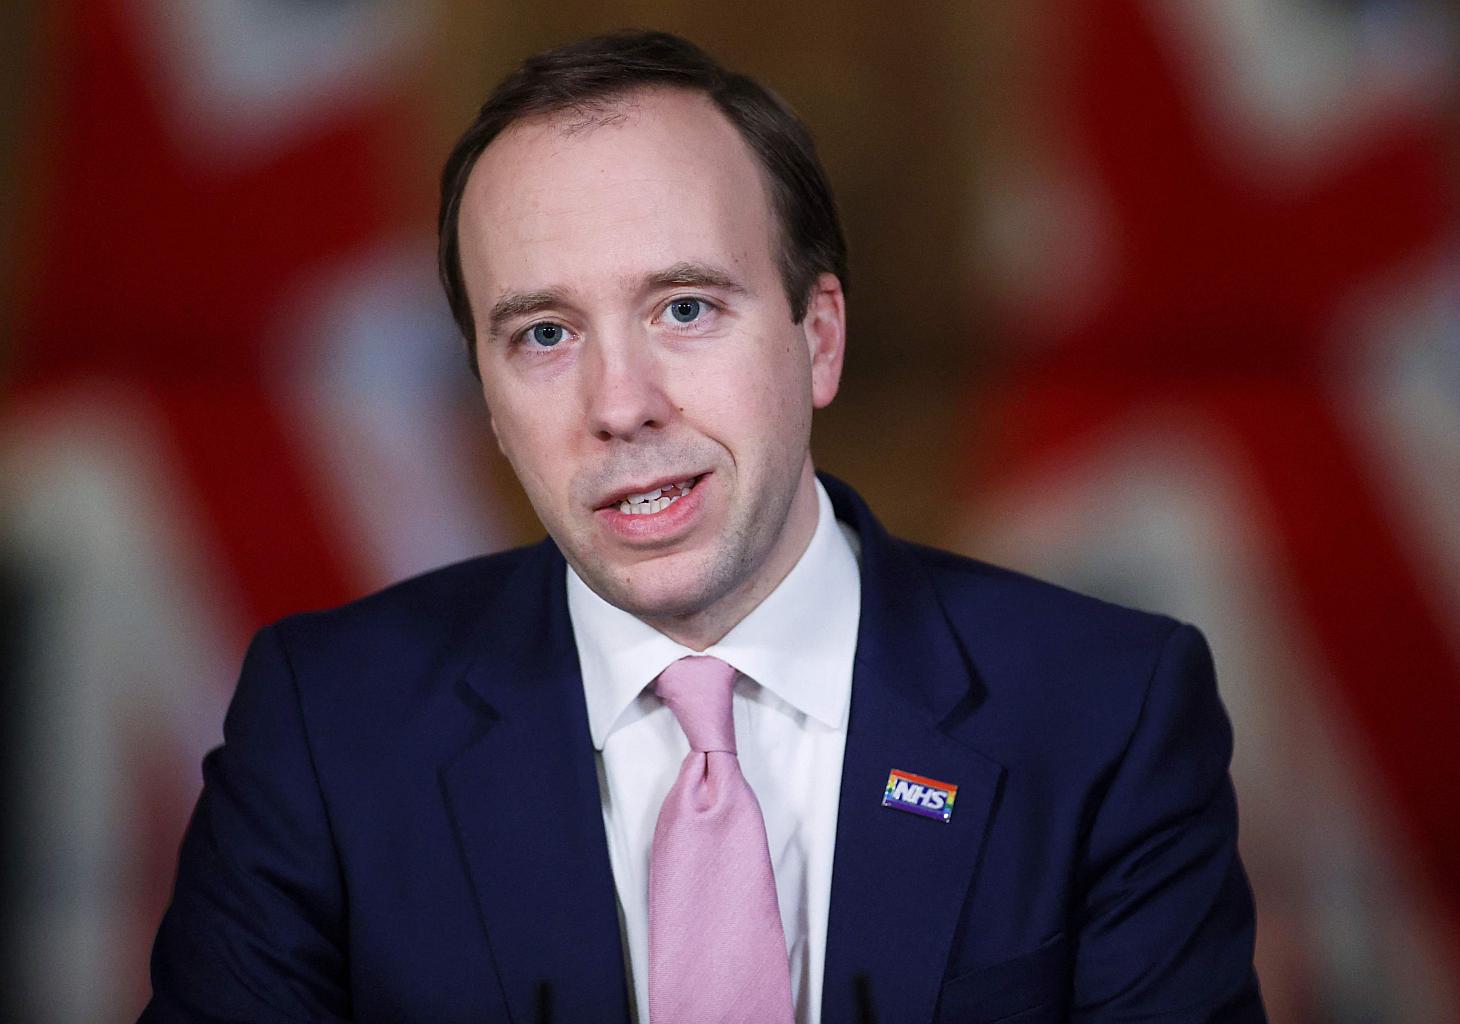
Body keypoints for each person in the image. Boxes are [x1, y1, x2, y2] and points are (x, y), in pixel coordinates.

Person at [142, 30, 1264, 1024]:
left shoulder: (1108, 713)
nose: (620, 404)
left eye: (684, 309)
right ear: (485, 403)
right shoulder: (325, 727)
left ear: (818, 339)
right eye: (543, 335)